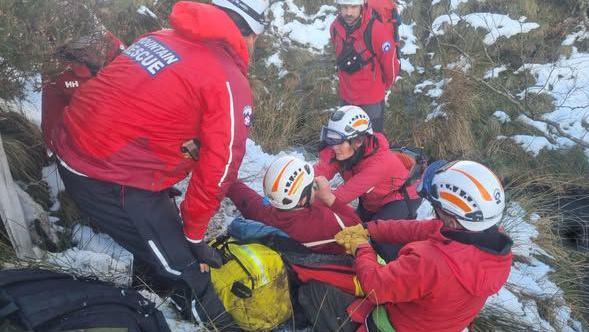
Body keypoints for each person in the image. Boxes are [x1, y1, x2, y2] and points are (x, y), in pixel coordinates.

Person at [51, 0, 269, 329]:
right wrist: (194, 236)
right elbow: (220, 167)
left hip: (72, 148)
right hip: (109, 175)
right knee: (187, 269)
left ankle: (147, 289)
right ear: (251, 34)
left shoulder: (159, 37)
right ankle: (217, 324)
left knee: (158, 236)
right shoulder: (228, 80)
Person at [298, 160, 513, 332]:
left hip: (395, 325)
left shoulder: (430, 261)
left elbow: (376, 288)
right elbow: (418, 229)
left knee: (313, 292)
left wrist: (362, 247)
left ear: (453, 218)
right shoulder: (494, 246)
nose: (435, 212)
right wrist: (369, 228)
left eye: (437, 207)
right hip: (440, 322)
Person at [227, 156, 361, 254]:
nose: (314, 188)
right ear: (302, 200)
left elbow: (243, 195)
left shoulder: (263, 213)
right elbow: (360, 230)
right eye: (312, 187)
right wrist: (330, 198)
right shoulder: (323, 222)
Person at [315, 105, 420, 222]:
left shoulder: (379, 164)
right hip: (371, 201)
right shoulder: (345, 148)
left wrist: (304, 198)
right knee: (347, 227)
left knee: (372, 236)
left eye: (339, 142)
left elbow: (337, 198)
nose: (334, 147)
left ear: (358, 141)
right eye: (332, 140)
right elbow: (322, 169)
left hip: (399, 200)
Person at [42, 28, 125, 153]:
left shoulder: (109, 43)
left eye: (99, 42)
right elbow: (53, 122)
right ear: (74, 51)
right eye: (89, 47)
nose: (99, 50)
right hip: (74, 141)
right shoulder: (59, 73)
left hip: (111, 124)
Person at [331, 0, 400, 132]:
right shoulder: (335, 28)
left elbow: (390, 63)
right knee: (347, 142)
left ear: (361, 6)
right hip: (346, 97)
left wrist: (384, 86)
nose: (348, 12)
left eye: (353, 7)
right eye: (344, 7)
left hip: (371, 100)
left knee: (373, 141)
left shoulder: (376, 29)